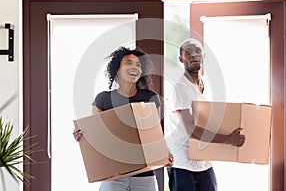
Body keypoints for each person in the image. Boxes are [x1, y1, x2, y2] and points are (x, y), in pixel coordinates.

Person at [73, 46, 173, 191]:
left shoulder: (150, 98)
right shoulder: (103, 99)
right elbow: (96, 137)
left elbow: (154, 135)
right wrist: (82, 136)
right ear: (117, 70)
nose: (135, 67)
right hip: (114, 176)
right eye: (128, 63)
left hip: (144, 177)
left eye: (138, 65)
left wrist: (165, 153)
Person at [165, 38, 246, 191]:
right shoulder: (180, 88)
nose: (194, 55)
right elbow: (191, 129)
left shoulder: (204, 86)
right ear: (181, 59)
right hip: (183, 163)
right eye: (189, 52)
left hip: (203, 160)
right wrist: (228, 139)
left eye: (198, 51)